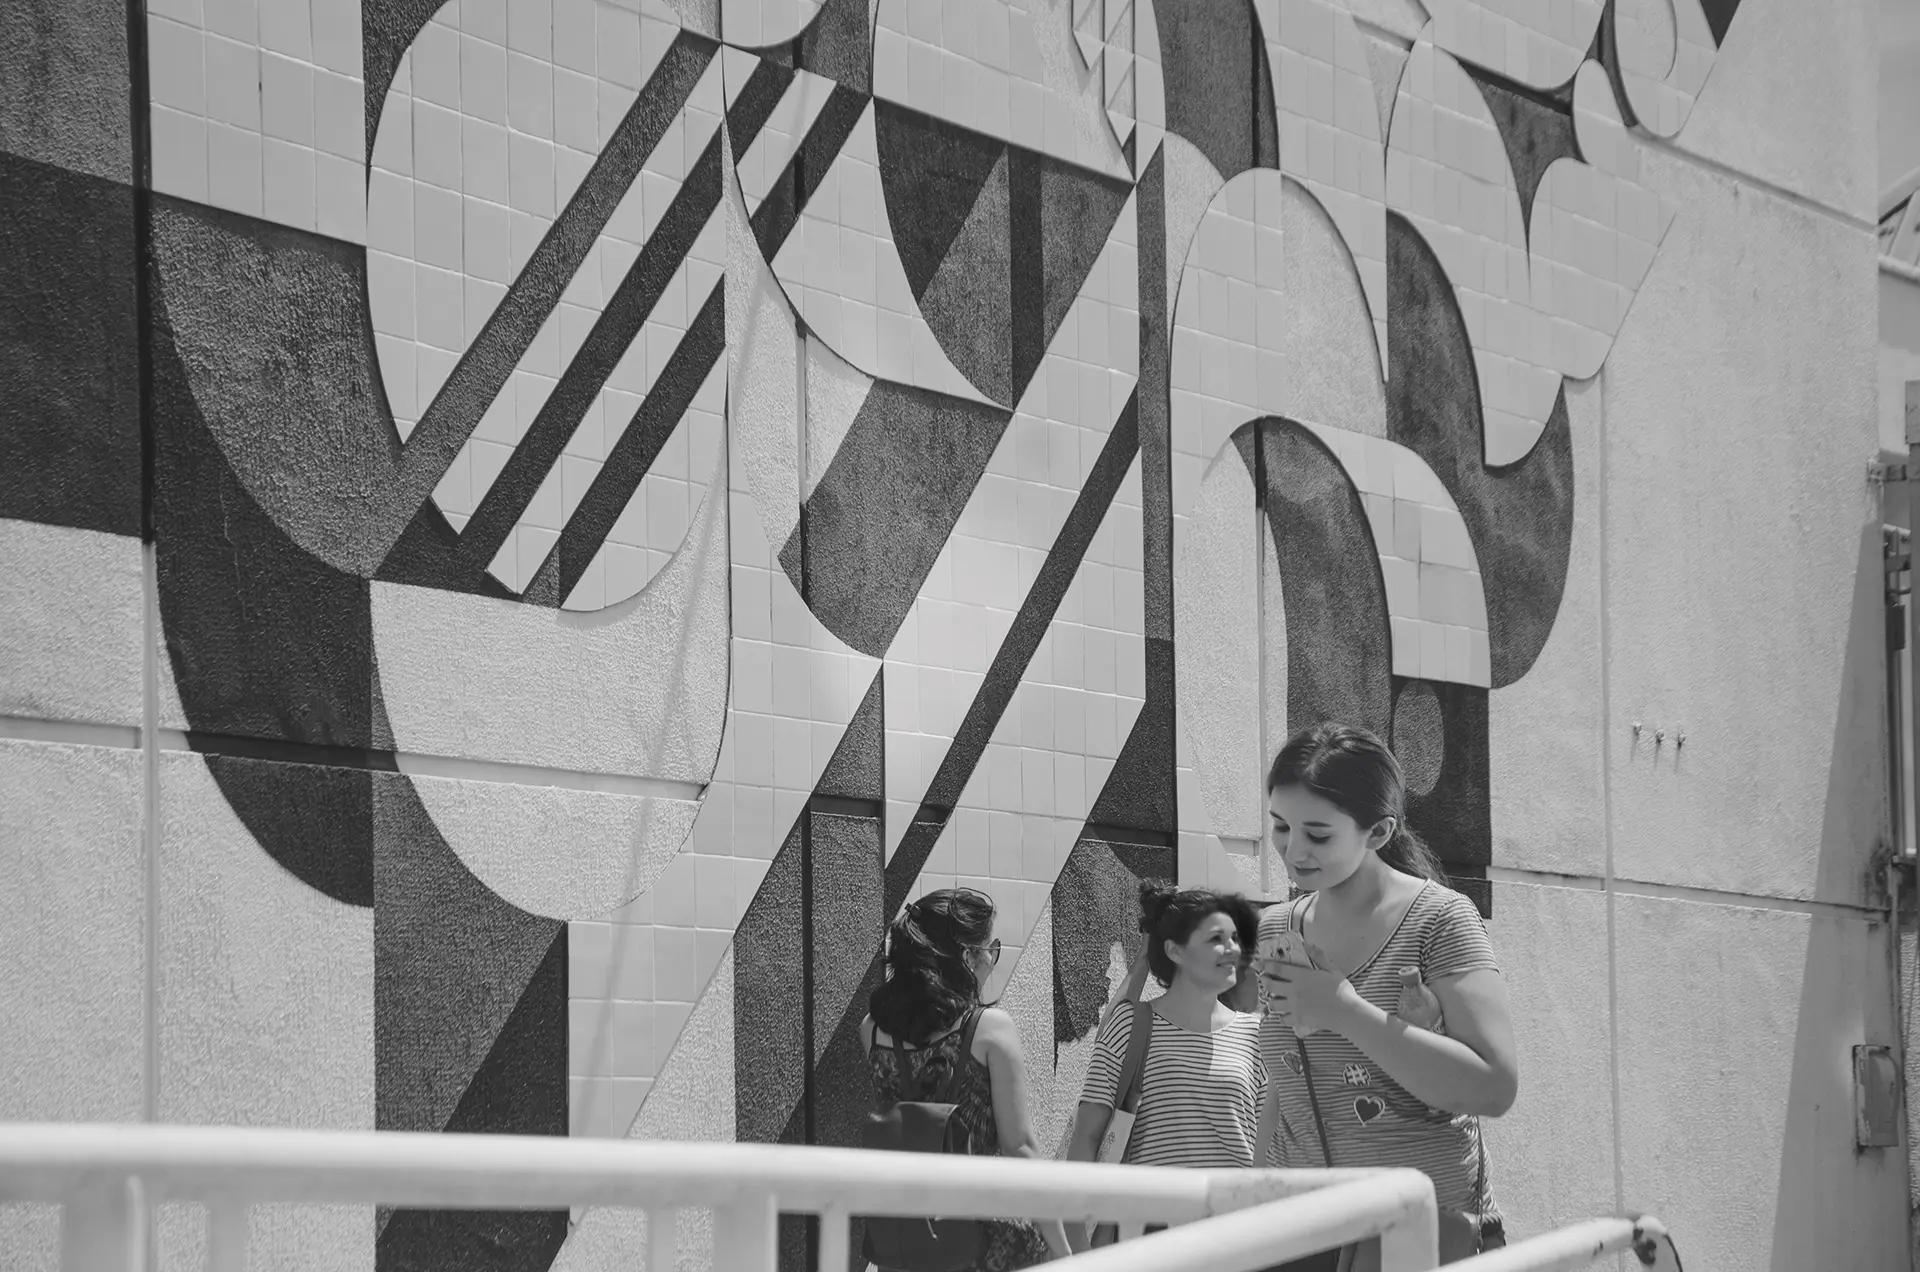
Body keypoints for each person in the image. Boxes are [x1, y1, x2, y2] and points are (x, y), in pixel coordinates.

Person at [1256, 723, 1519, 1268]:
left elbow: (1495, 1087)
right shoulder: (1274, 928)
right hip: (1300, 1228)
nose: (1293, 850)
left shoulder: (1440, 920)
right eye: (1281, 827)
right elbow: (1281, 1088)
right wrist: (1251, 1200)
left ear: (1377, 832)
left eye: (1318, 834)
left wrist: (1346, 1011)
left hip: (1421, 1225)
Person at [862, 888, 1070, 1267]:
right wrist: (1062, 1247)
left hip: (908, 1243)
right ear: (967, 957)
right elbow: (1020, 1148)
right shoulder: (989, 1029)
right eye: (991, 949)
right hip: (979, 1240)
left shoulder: (873, 1031)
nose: (992, 960)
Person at [1065, 884, 1266, 1249]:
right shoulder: (1132, 1024)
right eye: (1216, 938)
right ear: (1175, 950)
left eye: (1235, 937)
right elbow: (1086, 1137)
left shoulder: (1256, 1032)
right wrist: (1076, 1247)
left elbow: (1271, 1146)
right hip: (1151, 1235)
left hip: (1239, 1232)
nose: (1233, 949)